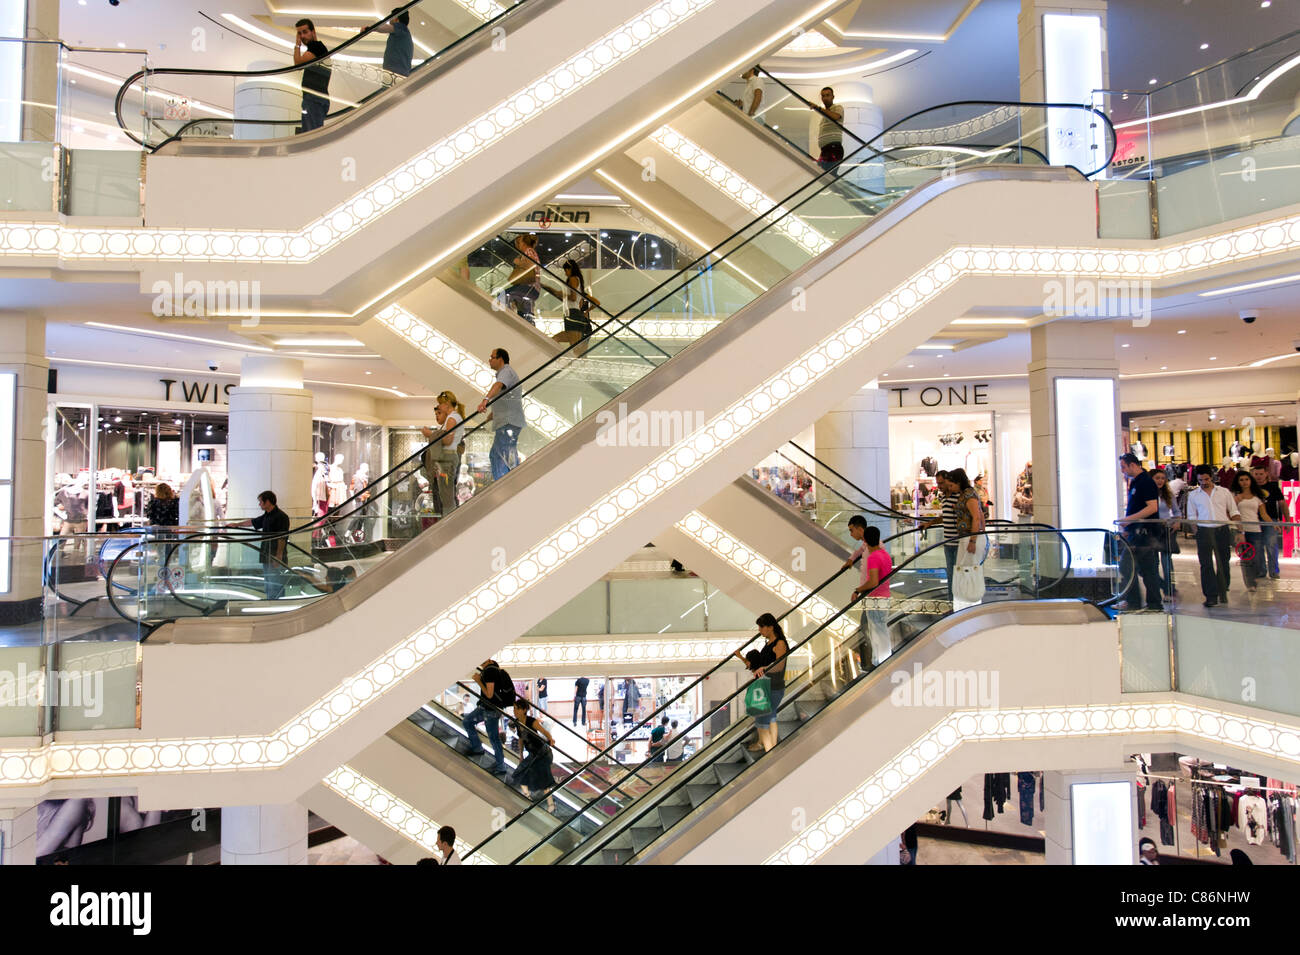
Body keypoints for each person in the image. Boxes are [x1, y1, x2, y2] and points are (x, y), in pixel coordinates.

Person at [731, 613, 788, 753]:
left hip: (773, 687)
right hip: (768, 687)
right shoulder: (768, 643)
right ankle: (771, 746)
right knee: (771, 718)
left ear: (770, 627)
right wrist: (742, 658)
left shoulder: (780, 643)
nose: (759, 630)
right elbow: (757, 666)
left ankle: (770, 753)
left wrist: (765, 668)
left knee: (762, 723)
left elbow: (779, 666)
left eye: (761, 627)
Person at [1115, 453, 1165, 612]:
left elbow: (1152, 507)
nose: (1122, 470)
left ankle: (1135, 601)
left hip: (1144, 535)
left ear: (1132, 465)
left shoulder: (1145, 482)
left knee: (1127, 566)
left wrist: (1129, 520)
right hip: (1138, 533)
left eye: (1123, 467)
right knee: (1147, 570)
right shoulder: (1137, 482)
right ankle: (1153, 604)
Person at [1185, 464, 1239, 608]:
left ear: (1212, 477)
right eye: (1200, 480)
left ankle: (1222, 590)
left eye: (1206, 479)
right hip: (1204, 531)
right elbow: (1191, 516)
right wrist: (1197, 531)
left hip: (1222, 530)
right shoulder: (1193, 495)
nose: (1204, 483)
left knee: (1223, 562)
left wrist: (1239, 530)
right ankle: (1211, 595)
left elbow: (1233, 511)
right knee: (1206, 564)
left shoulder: (1224, 492)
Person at [844, 518, 892, 670]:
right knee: (877, 629)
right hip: (883, 597)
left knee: (876, 630)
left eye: (852, 530)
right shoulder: (884, 554)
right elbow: (859, 551)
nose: (851, 534)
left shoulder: (873, 557)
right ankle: (879, 660)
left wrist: (858, 590)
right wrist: (851, 559)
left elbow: (873, 582)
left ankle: (881, 662)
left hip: (875, 598)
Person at [477, 348, 526, 481]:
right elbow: (506, 398)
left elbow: (498, 386)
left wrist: (485, 400)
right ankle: (507, 482)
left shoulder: (506, 372)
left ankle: (507, 483)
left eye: (492, 357)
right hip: (507, 421)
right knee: (497, 454)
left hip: (508, 422)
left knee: (503, 454)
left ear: (500, 359)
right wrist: (494, 413)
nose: (489, 360)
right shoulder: (505, 373)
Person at [233, 490, 291, 600]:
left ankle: (277, 605)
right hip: (266, 556)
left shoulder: (281, 517)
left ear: (268, 502)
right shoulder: (267, 516)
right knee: (269, 583)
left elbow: (282, 538)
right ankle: (271, 602)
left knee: (276, 584)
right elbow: (253, 522)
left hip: (274, 557)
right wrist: (237, 525)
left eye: (260, 502)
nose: (259, 504)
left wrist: (278, 557)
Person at [462, 658, 512, 775]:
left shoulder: (490, 671)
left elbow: (489, 694)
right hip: (485, 707)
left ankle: (501, 767)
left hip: (491, 710)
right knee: (467, 721)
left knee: (494, 739)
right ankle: (478, 748)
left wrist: (478, 680)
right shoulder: (492, 669)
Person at [422, 390, 465, 516]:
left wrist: (430, 434)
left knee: (446, 496)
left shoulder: (452, 419)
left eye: (440, 404)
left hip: (447, 458)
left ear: (446, 404)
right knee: (446, 494)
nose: (439, 407)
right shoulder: (454, 417)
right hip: (448, 458)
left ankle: (448, 521)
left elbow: (447, 440)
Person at [508, 698, 555, 802]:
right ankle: (528, 797)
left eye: (517, 709)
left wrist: (550, 739)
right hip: (533, 753)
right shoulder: (517, 722)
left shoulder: (531, 721)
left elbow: (544, 731)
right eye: (514, 708)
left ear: (524, 710)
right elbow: (520, 739)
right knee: (520, 773)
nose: (515, 711)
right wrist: (520, 755)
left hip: (542, 753)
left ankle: (550, 803)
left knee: (542, 779)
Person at [1233, 471, 1273, 593]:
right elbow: (1232, 514)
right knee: (1245, 558)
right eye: (1241, 480)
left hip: (1256, 530)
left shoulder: (1257, 498)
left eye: (1246, 479)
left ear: (1250, 481)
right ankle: (1250, 583)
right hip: (1241, 531)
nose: (1244, 482)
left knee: (1256, 557)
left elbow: (1264, 514)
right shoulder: (1236, 498)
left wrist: (1273, 524)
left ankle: (1255, 577)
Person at [946, 468, 985, 587]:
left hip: (970, 537)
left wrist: (973, 541)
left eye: (951, 485)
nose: (950, 488)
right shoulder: (965, 494)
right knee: (964, 569)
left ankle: (970, 598)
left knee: (968, 570)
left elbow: (977, 517)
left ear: (958, 482)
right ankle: (966, 598)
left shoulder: (969, 495)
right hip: (966, 537)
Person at [293, 19, 332, 133]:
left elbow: (298, 64)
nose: (302, 36)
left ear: (313, 32)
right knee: (311, 132)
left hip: (314, 99)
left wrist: (297, 45)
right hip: (316, 99)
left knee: (311, 134)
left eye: (305, 32)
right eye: (299, 34)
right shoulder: (319, 48)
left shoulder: (316, 47)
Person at [1251, 464, 1289, 579]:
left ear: (1266, 473)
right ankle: (1261, 571)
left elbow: (1282, 504)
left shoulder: (1273, 486)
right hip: (1254, 520)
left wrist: (1287, 520)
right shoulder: (1250, 487)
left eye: (1261, 474)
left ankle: (1274, 571)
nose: (1259, 477)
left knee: (1271, 545)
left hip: (1271, 520)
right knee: (1257, 546)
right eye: (1256, 474)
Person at [557, 259, 599, 356]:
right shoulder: (583, 294)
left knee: (577, 350)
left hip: (577, 319)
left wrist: (585, 311)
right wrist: (587, 311)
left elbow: (573, 298)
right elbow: (597, 302)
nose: (565, 274)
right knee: (581, 352)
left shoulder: (578, 290)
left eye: (566, 271)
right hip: (586, 324)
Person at [1150, 469, 1181, 598]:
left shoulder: (1168, 494)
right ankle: (1160, 586)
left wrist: (1176, 522)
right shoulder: (1147, 494)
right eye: (1157, 478)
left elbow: (1177, 512)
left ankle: (1169, 589)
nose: (1160, 481)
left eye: (1163, 478)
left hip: (1166, 530)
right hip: (1151, 530)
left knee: (1167, 561)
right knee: (1152, 562)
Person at [502, 234, 543, 325]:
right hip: (532, 289)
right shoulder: (531, 251)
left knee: (503, 295)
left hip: (528, 287)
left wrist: (518, 262)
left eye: (519, 243)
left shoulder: (528, 251)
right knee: (524, 313)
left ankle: (507, 319)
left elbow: (531, 265)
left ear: (524, 243)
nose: (517, 245)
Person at [810, 86, 844, 171]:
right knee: (825, 175)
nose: (825, 98)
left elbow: (836, 116)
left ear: (833, 97)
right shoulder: (825, 115)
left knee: (826, 175)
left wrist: (818, 108)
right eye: (823, 96)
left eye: (827, 95)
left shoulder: (837, 107)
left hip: (833, 148)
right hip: (825, 150)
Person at [373, 8, 413, 79]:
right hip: (398, 73)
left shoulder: (401, 28)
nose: (389, 20)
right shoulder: (405, 33)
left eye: (391, 17)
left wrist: (370, 28)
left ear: (396, 18)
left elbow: (385, 28)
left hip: (395, 73)